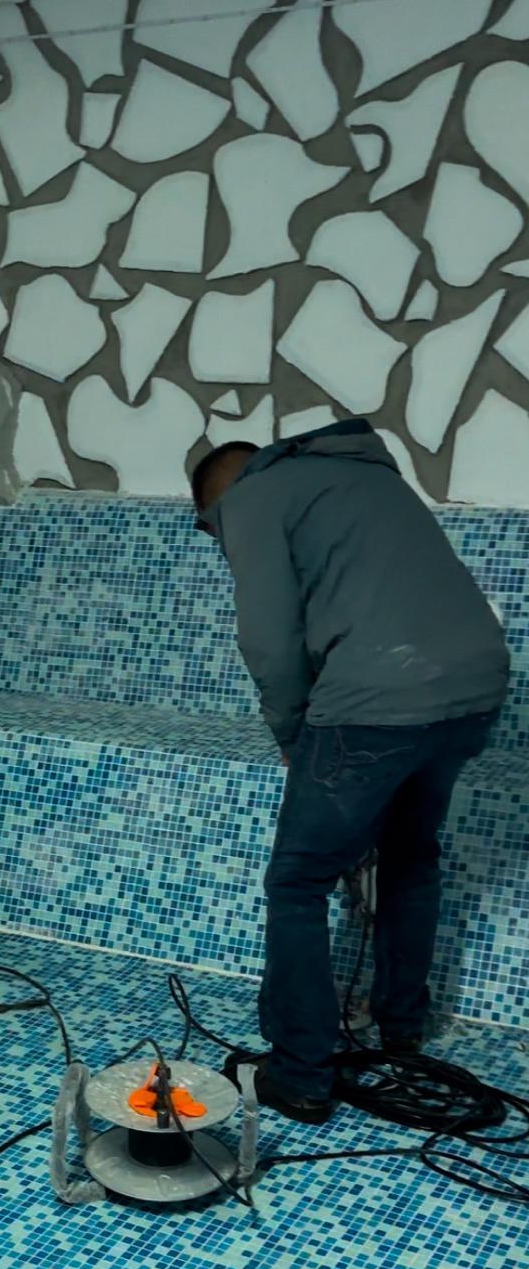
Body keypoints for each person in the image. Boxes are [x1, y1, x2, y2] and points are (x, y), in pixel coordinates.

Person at [190, 419, 509, 1125]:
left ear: (214, 507)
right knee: (410, 856)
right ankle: (402, 1028)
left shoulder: (251, 498)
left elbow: (269, 638)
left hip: (377, 700)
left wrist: (292, 734)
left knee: (298, 880)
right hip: (475, 689)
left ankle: (301, 1072)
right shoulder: (366, 474)